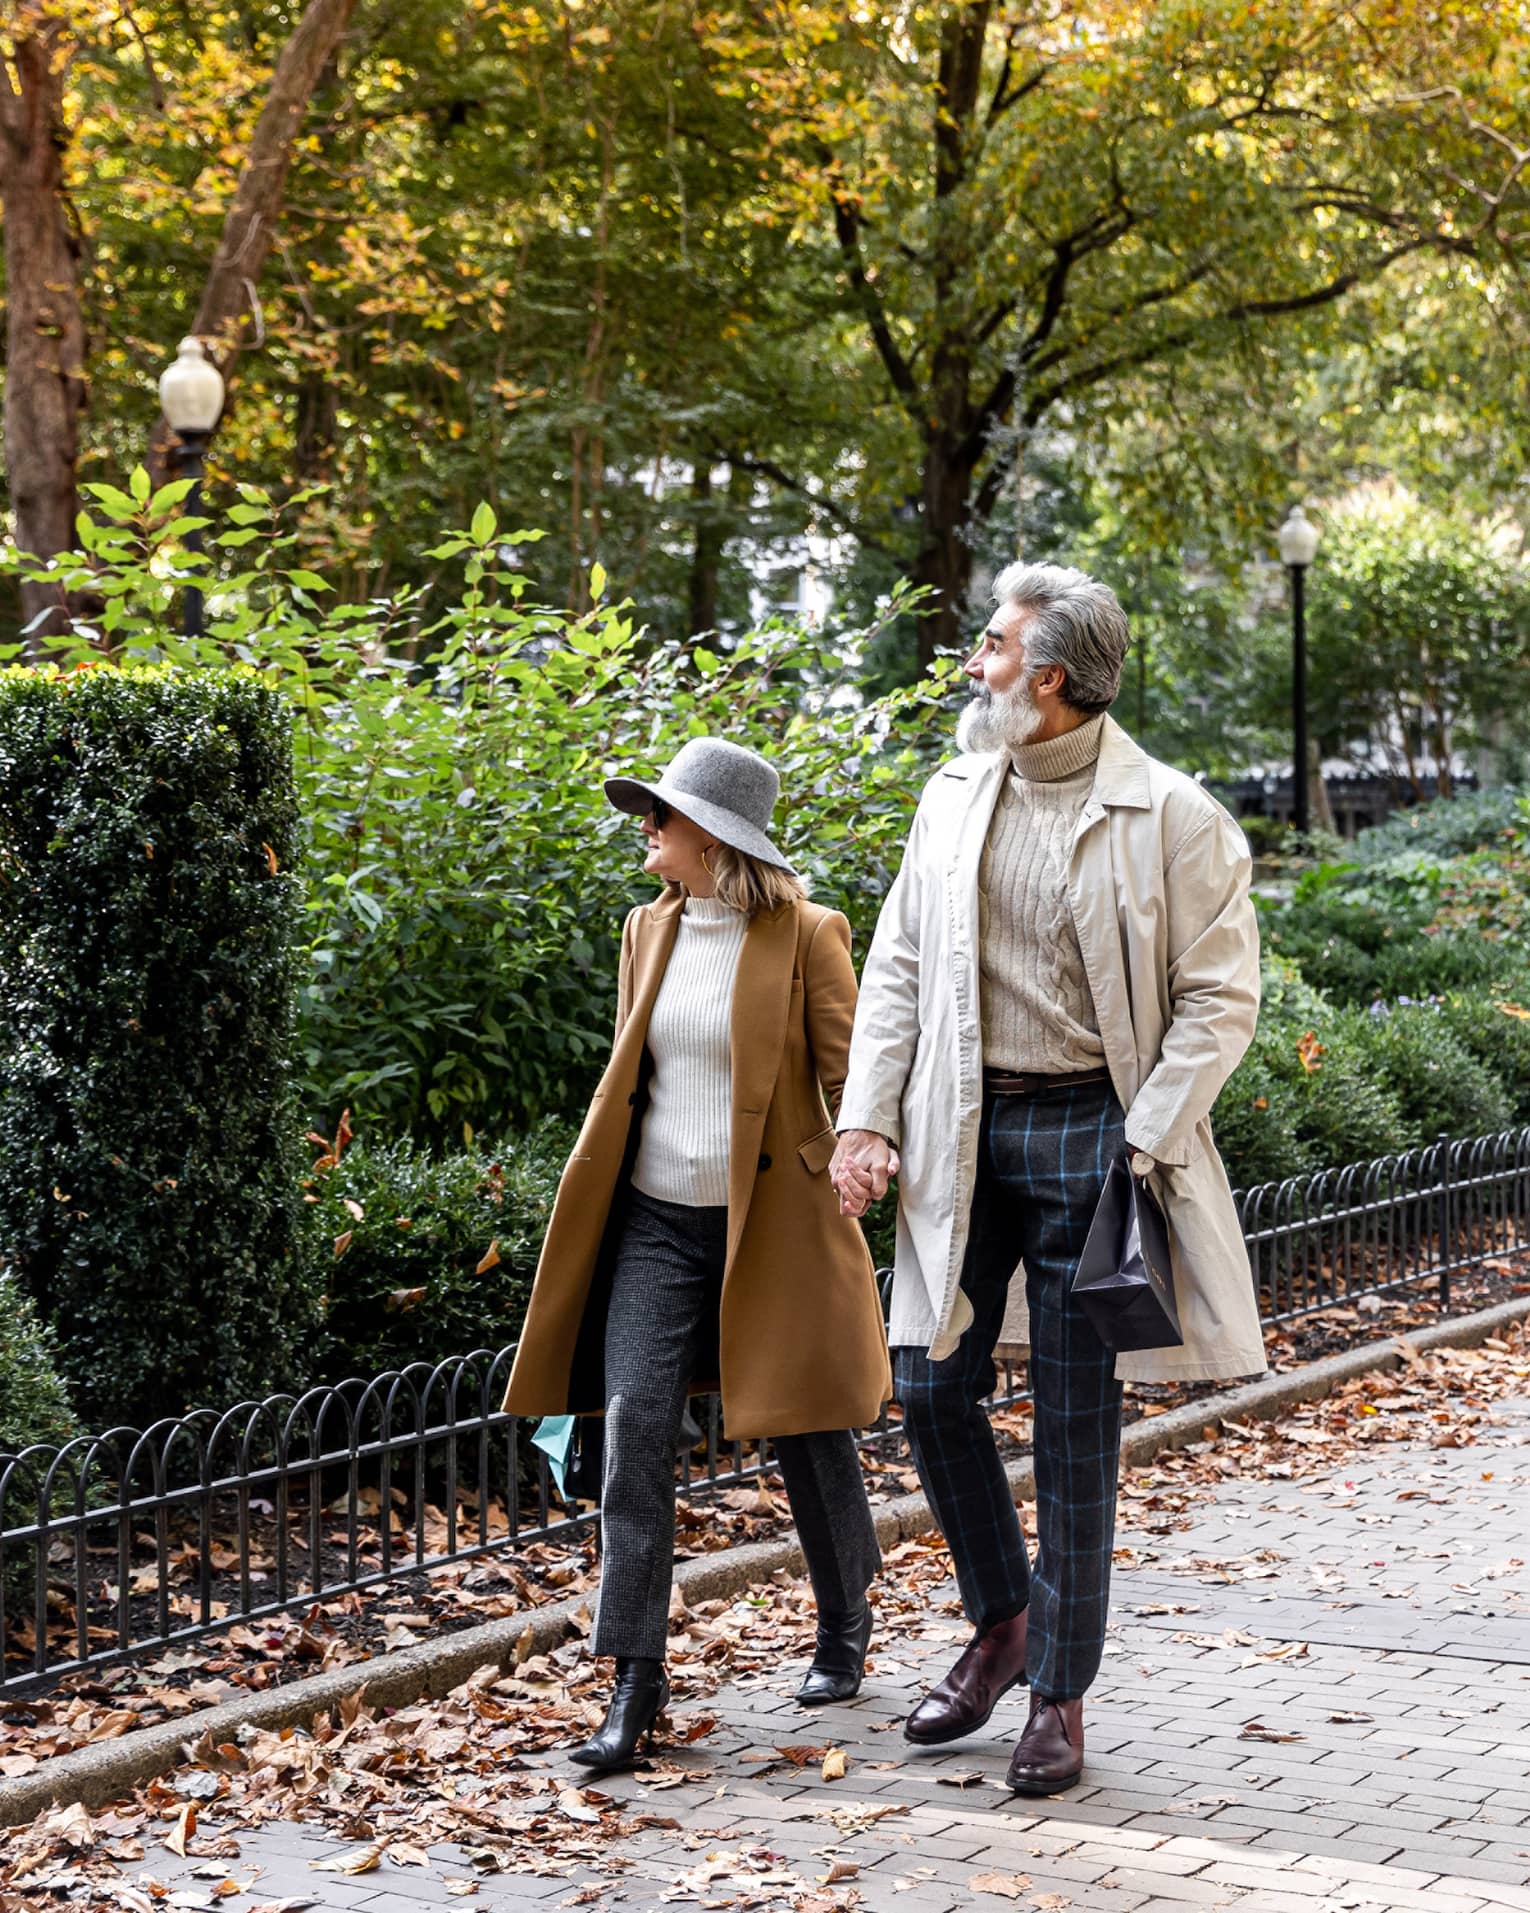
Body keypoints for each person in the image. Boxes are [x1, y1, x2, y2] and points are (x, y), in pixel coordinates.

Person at [831, 562, 1264, 1796]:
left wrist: (1147, 1137)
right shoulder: (955, 793)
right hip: (962, 1130)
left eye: (994, 643)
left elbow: (1222, 997)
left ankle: (1057, 1692)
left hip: (1097, 1137)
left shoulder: (1173, 817)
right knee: (925, 1380)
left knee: (1076, 1428)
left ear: (1052, 677)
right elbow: (901, 965)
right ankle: (1002, 1616)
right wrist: (867, 1120)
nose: (976, 661)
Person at [503, 737, 891, 1774]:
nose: (646, 827)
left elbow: (854, 1076)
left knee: (805, 1431)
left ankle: (845, 1616)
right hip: (654, 1223)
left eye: (661, 814)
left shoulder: (808, 934)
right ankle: (635, 1679)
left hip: (770, 1227)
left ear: (713, 836)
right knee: (633, 1435)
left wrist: (849, 1157)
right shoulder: (646, 929)